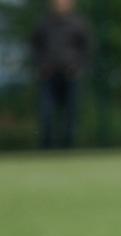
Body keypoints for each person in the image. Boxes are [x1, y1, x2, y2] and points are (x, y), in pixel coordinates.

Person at [30, 0, 91, 149]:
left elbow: (87, 48)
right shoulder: (44, 24)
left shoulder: (79, 24)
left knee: (71, 113)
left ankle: (68, 147)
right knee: (47, 112)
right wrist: (41, 66)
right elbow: (34, 47)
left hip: (70, 75)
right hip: (49, 75)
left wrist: (78, 68)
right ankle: (46, 147)